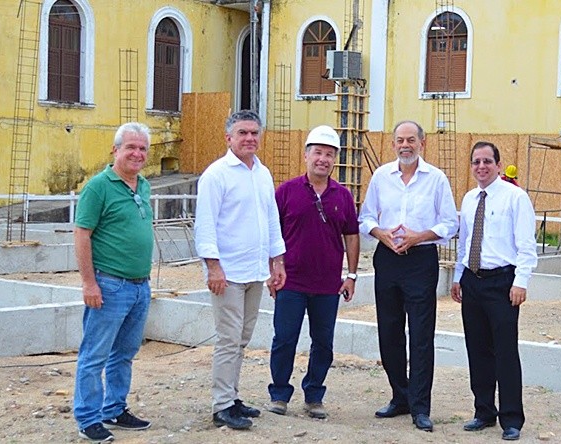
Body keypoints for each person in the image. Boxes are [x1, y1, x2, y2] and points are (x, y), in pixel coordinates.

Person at [359, 120, 458, 432]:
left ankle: (420, 406)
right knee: (389, 331)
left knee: (421, 334)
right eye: (400, 140)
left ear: (422, 144)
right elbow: (366, 217)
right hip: (387, 259)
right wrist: (381, 234)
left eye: (411, 140)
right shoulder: (381, 177)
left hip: (421, 261)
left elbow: (450, 223)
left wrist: (419, 236)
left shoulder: (436, 179)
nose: (405, 145)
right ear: (393, 145)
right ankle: (399, 396)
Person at [194, 109, 287, 430]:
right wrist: (213, 267)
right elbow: (205, 224)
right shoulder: (216, 175)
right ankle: (222, 405)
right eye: (243, 133)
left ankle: (232, 397)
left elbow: (271, 221)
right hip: (228, 274)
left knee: (243, 338)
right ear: (228, 138)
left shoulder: (262, 173)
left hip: (255, 272)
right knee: (228, 339)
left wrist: (277, 262)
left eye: (254, 133)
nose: (249, 138)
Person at [266, 125, 360, 419]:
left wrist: (351, 275)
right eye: (318, 152)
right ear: (306, 155)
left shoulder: (342, 196)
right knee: (284, 339)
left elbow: (352, 236)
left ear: (335, 160)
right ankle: (279, 394)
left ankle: (314, 395)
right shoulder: (286, 192)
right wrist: (273, 269)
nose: (323, 159)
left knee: (323, 343)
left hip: (327, 284)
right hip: (291, 281)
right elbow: (272, 233)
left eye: (329, 154)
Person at [73, 122, 155, 443]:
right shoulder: (99, 187)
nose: (137, 153)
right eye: (130, 147)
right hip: (109, 286)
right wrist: (89, 284)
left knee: (124, 352)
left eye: (142, 148)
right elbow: (82, 235)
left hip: (139, 286)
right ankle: (88, 418)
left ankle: (114, 408)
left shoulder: (144, 186)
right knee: (94, 354)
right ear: (115, 150)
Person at [450, 141, 537, 441]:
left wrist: (520, 281)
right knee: (477, 350)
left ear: (499, 165)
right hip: (473, 281)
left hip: (503, 283)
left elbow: (526, 244)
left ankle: (511, 418)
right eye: (476, 162)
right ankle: (483, 411)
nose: (481, 166)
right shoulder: (470, 198)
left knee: (505, 352)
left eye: (487, 161)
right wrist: (458, 276)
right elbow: (464, 242)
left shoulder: (516, 198)